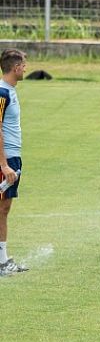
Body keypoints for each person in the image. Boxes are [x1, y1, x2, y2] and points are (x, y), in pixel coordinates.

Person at [0, 49, 28, 276]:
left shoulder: (10, 91)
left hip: (13, 156)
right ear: (15, 67)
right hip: (6, 158)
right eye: (24, 65)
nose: (26, 68)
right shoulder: (2, 93)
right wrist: (4, 165)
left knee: (5, 208)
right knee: (2, 207)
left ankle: (3, 258)